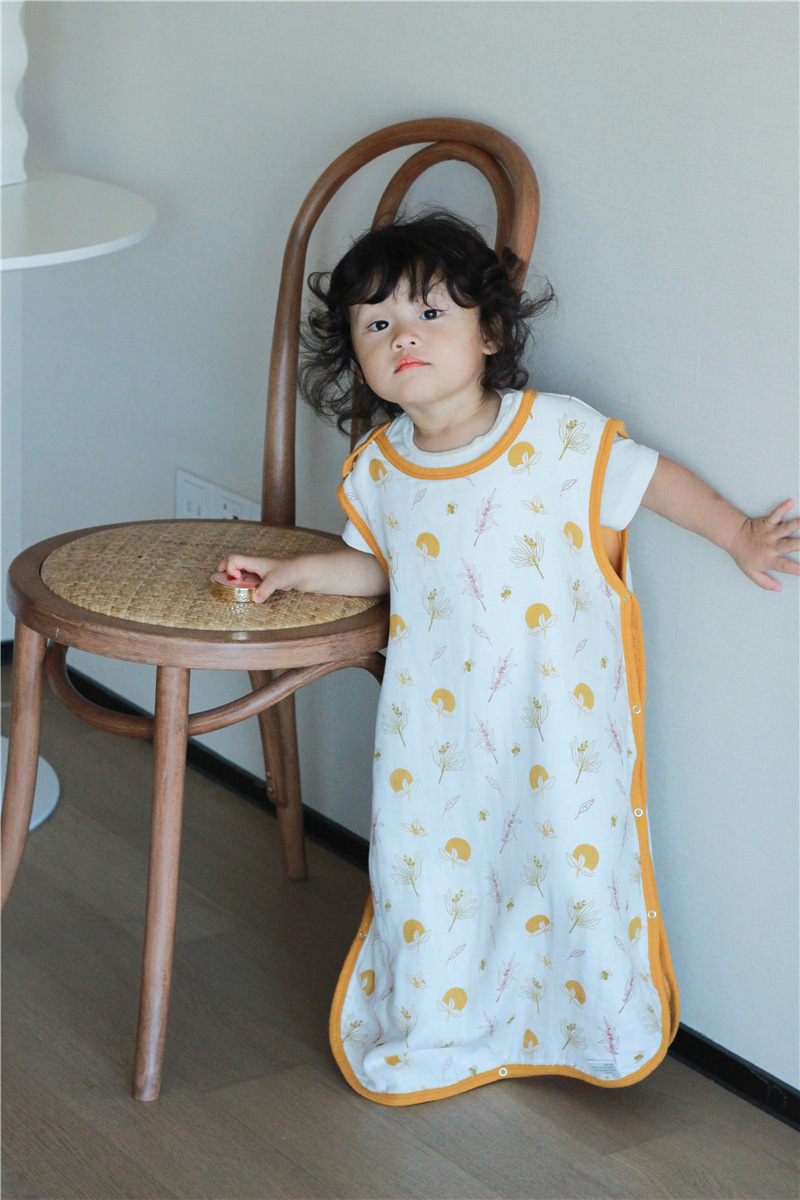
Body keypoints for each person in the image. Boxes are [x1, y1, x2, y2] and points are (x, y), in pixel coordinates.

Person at [219, 212, 797, 1105]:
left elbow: (650, 480)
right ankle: (448, 1019)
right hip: (436, 731)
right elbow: (378, 565)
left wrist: (738, 534)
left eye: (430, 314)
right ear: (357, 359)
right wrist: (293, 573)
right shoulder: (381, 469)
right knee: (434, 871)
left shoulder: (556, 435)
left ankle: (586, 1025)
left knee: (566, 863)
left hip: (555, 721)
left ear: (488, 333)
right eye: (377, 325)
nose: (404, 337)